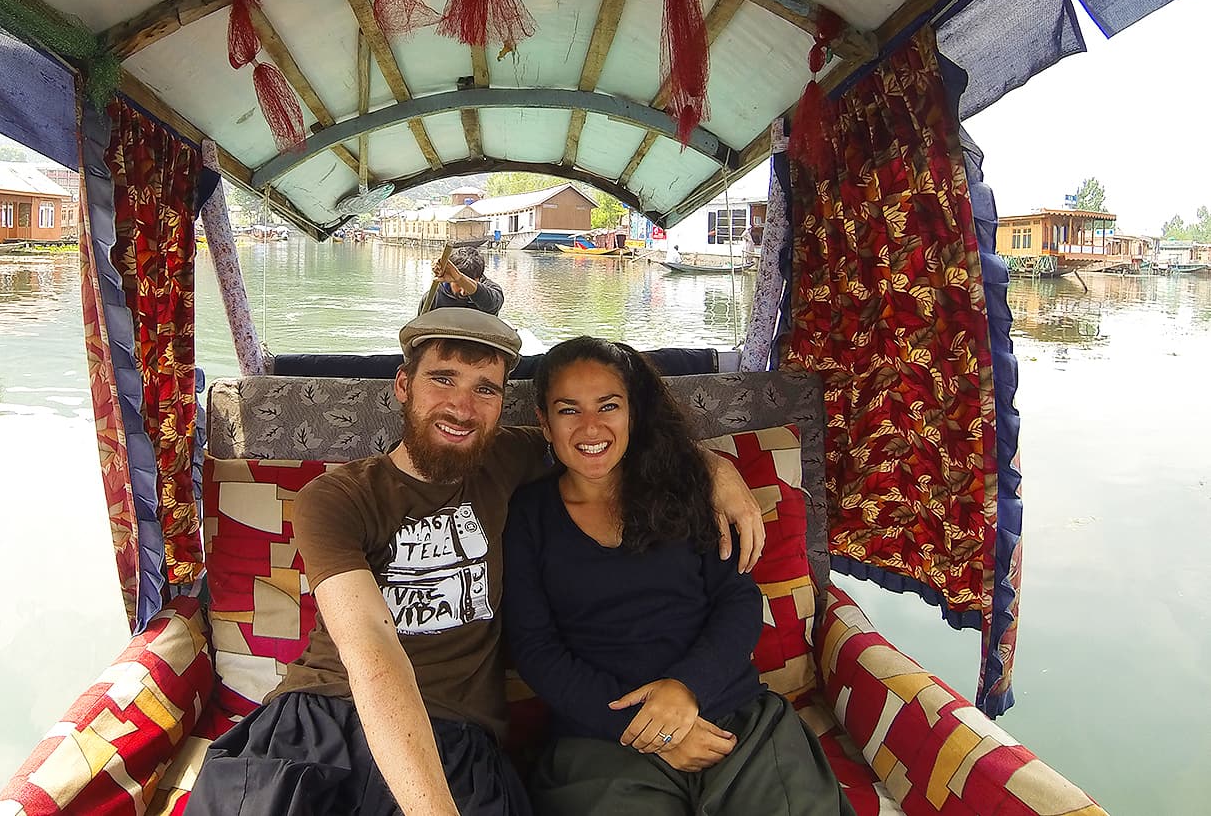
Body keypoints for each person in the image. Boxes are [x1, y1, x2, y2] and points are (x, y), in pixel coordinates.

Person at [185, 309, 766, 816]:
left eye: (485, 389)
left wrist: (715, 468)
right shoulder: (337, 498)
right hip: (324, 714)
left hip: (457, 733)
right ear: (402, 386)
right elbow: (370, 652)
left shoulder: (510, 459)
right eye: (443, 380)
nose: (462, 407)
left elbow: (605, 440)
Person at [504, 337, 855, 816]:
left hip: (729, 717)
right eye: (569, 411)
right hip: (603, 738)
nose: (592, 427)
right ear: (544, 422)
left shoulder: (688, 491)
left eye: (609, 406)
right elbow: (535, 649)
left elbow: (738, 601)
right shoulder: (527, 515)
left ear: (632, 413)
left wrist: (686, 689)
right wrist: (651, 728)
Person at [422, 246, 504, 315]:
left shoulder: (493, 292)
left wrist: (459, 278)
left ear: (479, 277)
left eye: (466, 284)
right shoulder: (433, 297)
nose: (463, 292)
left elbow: (491, 305)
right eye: (458, 284)